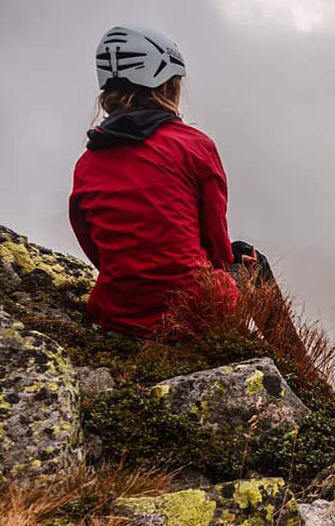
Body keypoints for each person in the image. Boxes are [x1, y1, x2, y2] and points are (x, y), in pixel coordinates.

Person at [70, 25, 268, 338]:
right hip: (191, 312)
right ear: (167, 84)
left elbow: (92, 244)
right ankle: (288, 361)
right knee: (252, 261)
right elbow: (217, 249)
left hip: (116, 313)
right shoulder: (194, 147)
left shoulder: (87, 163)